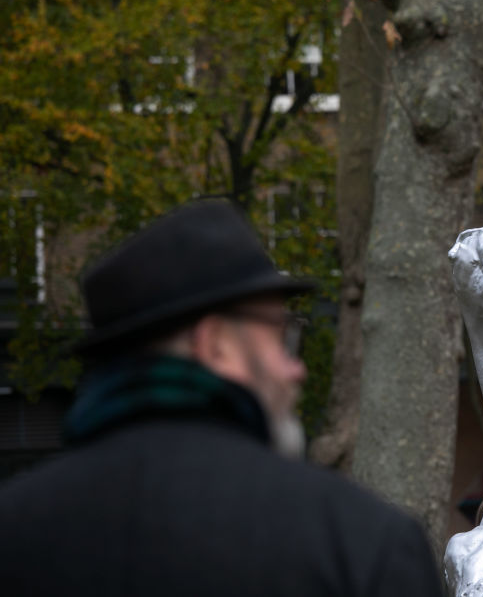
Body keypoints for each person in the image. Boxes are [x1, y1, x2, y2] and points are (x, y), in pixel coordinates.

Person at [0, 199, 444, 597]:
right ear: (215, 344)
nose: (297, 369)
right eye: (282, 336)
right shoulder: (360, 542)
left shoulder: (16, 527)